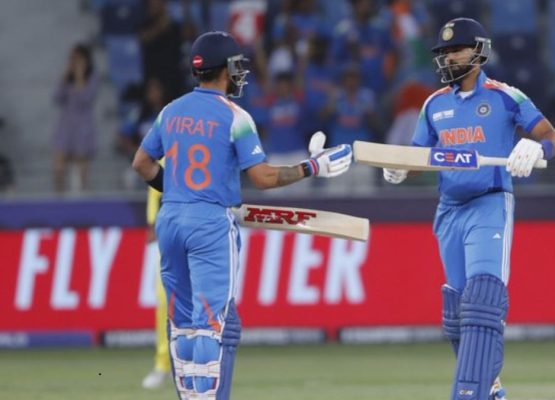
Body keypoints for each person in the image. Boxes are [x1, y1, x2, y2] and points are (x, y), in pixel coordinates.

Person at [131, 31, 352, 400]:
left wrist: (180, 193)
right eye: (237, 66)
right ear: (226, 68)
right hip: (209, 224)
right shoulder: (236, 116)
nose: (240, 74)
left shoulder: (171, 110)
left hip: (171, 219)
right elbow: (263, 178)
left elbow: (141, 163)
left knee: (181, 324)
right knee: (210, 324)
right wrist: (313, 167)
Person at [382, 18, 555, 400]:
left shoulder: (506, 97)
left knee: (483, 301)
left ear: (478, 53)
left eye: (456, 50)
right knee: (457, 314)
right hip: (449, 211)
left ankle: (469, 394)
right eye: (444, 52)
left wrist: (537, 147)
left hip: (489, 203)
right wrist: (399, 167)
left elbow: (553, 138)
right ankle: (492, 390)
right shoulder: (434, 104)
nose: (449, 58)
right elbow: (418, 156)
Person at [52, 43, 100, 193]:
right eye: (72, 58)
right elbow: (57, 98)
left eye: (77, 58)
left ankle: (83, 196)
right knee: (59, 165)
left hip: (83, 126)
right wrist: (66, 77)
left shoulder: (93, 77)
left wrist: (80, 78)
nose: (74, 61)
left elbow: (85, 99)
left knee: (81, 167)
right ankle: (59, 196)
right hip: (66, 125)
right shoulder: (67, 78)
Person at [141, 182, 171, 389]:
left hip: (203, 231)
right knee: (164, 300)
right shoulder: (165, 163)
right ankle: (163, 364)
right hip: (169, 233)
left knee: (204, 302)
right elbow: (155, 190)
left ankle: (204, 363)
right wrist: (152, 222)